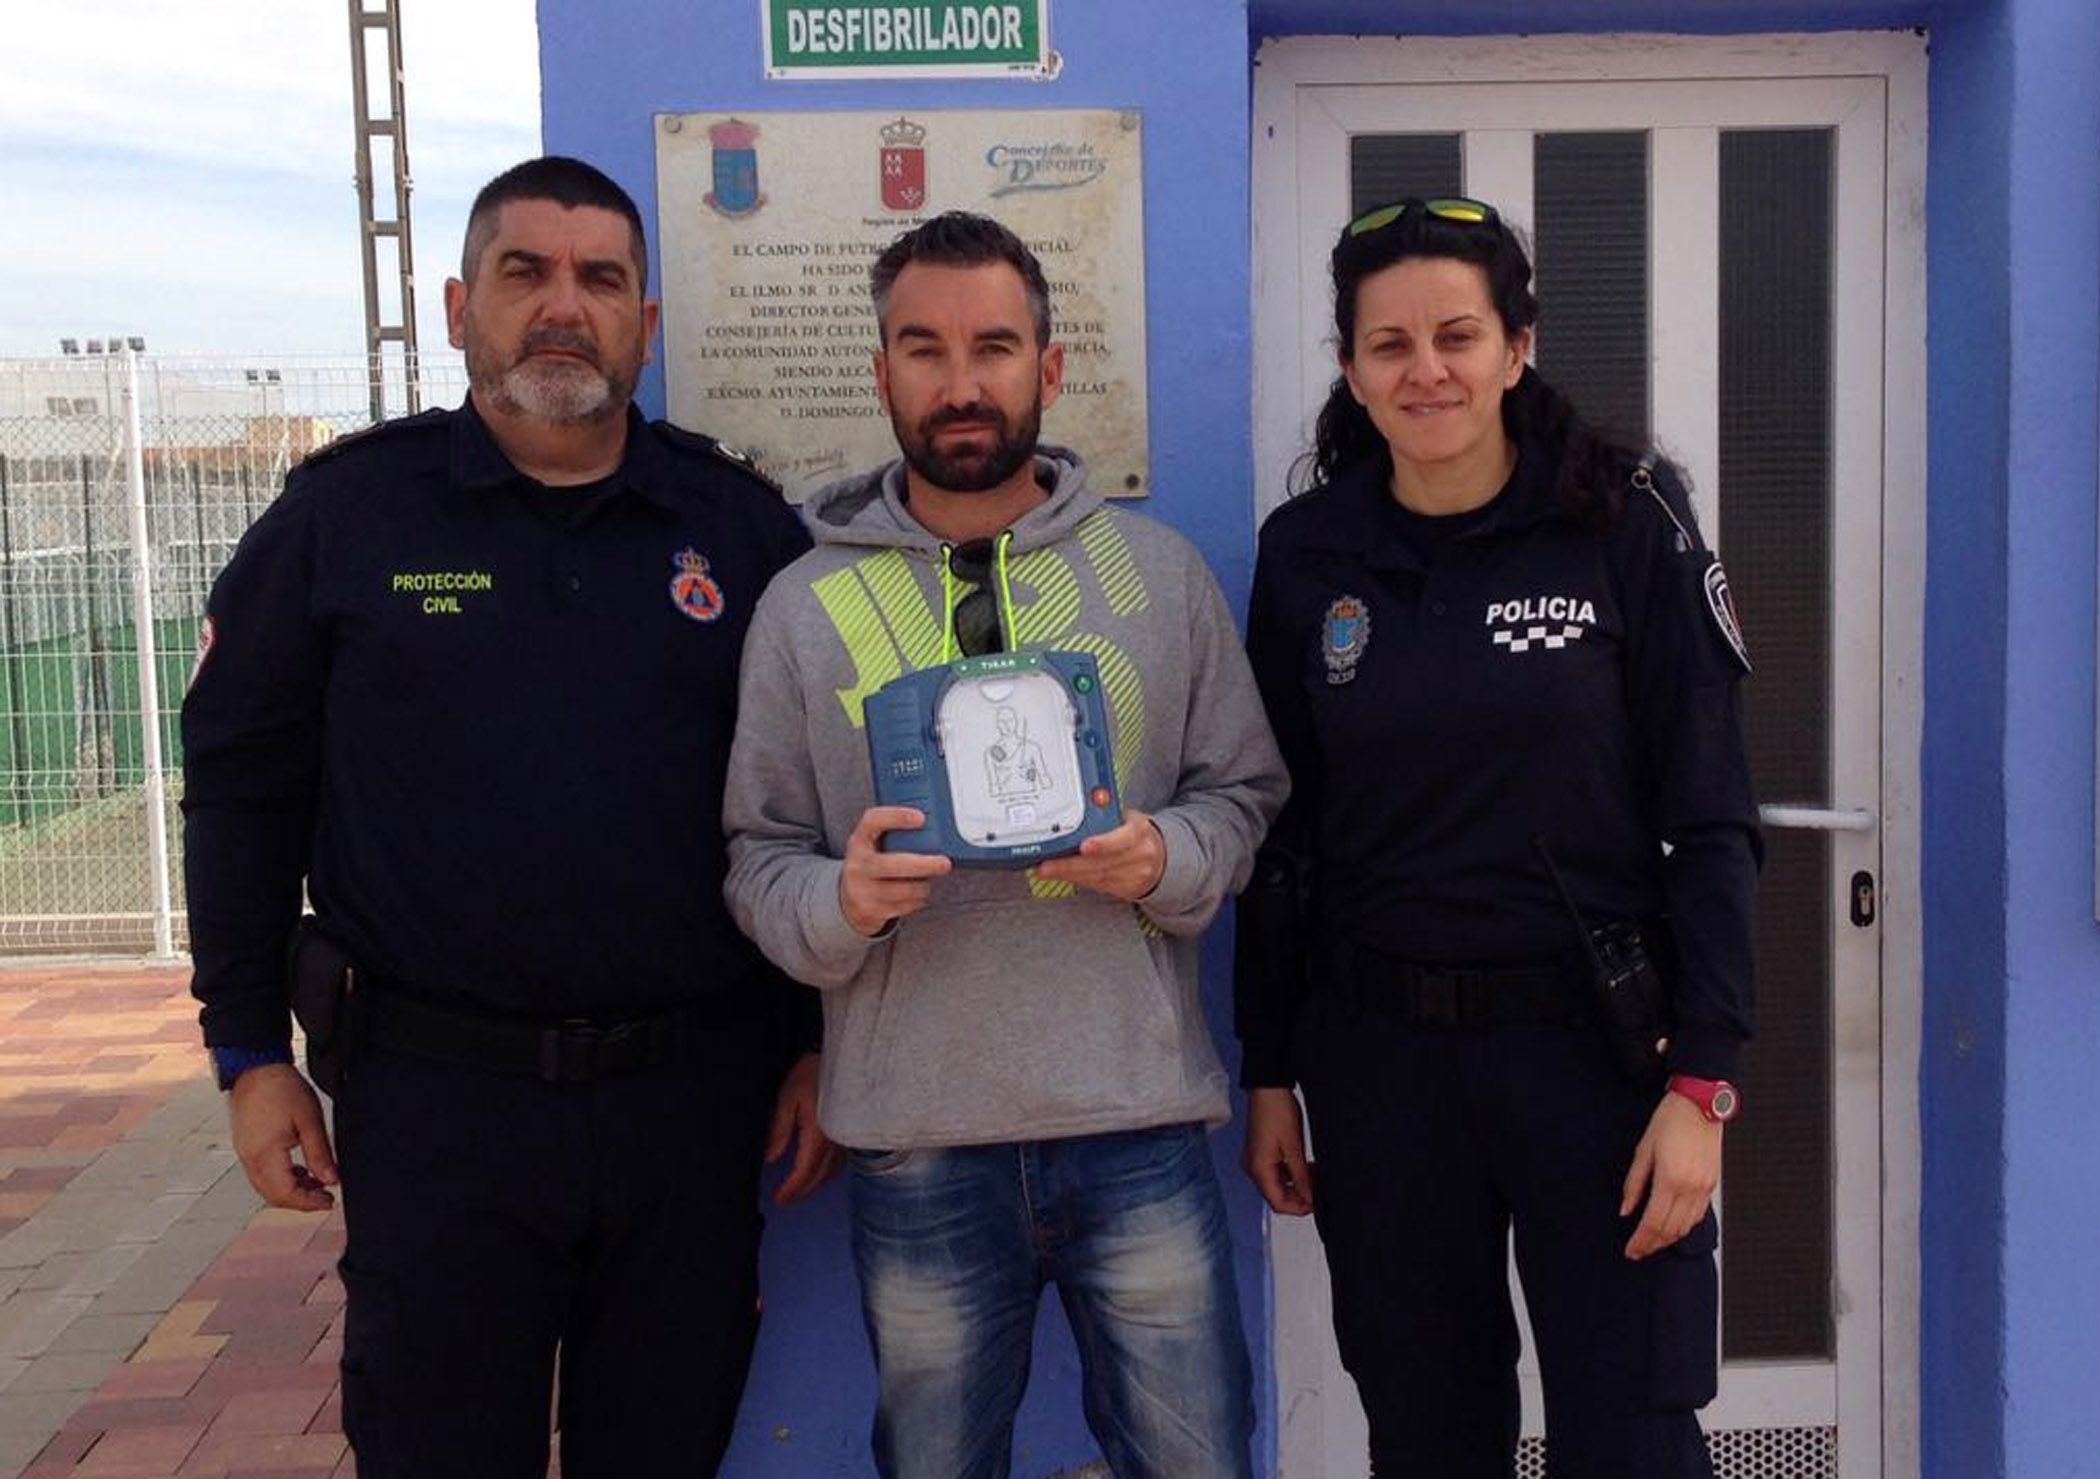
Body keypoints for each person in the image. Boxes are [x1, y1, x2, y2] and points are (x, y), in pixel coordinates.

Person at [182, 156, 835, 1477]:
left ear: (646, 324)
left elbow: (806, 807)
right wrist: (248, 1049)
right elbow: (243, 788)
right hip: (434, 1106)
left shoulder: (739, 528)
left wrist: (826, 1041)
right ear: (457, 303)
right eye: (522, 271)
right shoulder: (344, 517)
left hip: (688, 1105)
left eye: (600, 279)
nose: (561, 305)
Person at [723, 211, 1286, 1478]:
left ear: (1050, 364)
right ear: (879, 374)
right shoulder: (800, 607)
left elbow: (1242, 795)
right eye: (922, 349)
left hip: (1137, 1123)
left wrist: (1163, 861)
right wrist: (842, 902)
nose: (960, 382)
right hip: (916, 1139)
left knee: (1198, 1463)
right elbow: (756, 855)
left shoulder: (1157, 574)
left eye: (993, 345)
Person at [1235, 197, 1760, 1478]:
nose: (1426, 370)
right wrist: (1267, 1069)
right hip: (1382, 1067)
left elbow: (1710, 817)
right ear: (1351, 370)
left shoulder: (1623, 526)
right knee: (1425, 1433)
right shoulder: (1307, 554)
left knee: (1629, 1436)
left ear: (1516, 346)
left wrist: (1702, 1081)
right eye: (1388, 344)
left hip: (1593, 1065)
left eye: (1457, 335)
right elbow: (1277, 832)